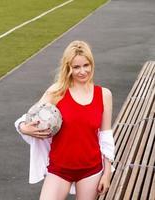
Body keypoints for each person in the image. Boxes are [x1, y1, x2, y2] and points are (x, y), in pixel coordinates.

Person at [15, 40, 115, 200]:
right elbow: (29, 117)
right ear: (68, 67)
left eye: (86, 65)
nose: (82, 71)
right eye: (76, 67)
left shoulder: (104, 95)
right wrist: (23, 127)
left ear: (92, 65)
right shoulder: (57, 91)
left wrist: (107, 173)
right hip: (59, 168)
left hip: (91, 169)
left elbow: (106, 135)